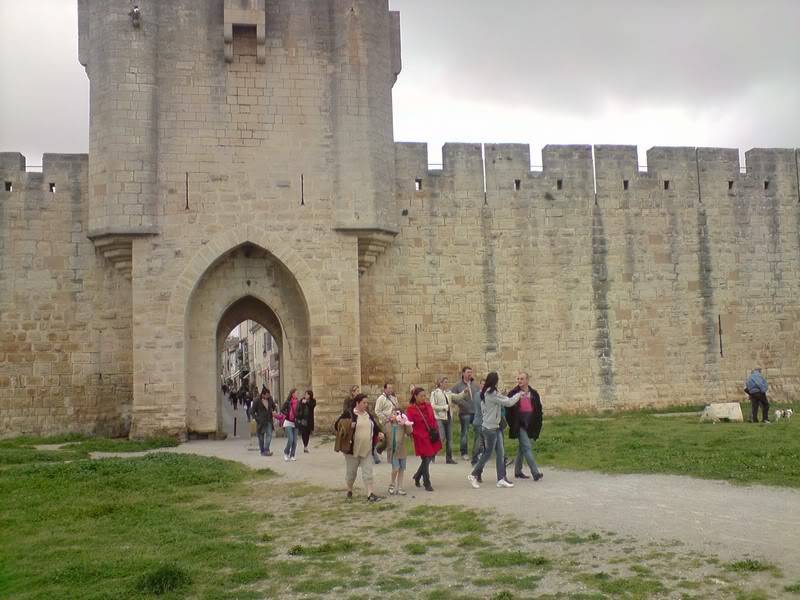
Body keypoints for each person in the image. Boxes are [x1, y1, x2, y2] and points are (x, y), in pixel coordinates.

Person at [467, 372, 523, 489]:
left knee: (500, 453)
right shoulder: (490, 393)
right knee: (487, 454)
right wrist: (518, 395)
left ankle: (501, 479)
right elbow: (508, 402)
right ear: (495, 381)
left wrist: (512, 395)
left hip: (495, 427)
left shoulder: (490, 392)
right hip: (490, 428)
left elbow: (504, 399)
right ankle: (473, 475)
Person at [333, 393, 384, 502]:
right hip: (352, 450)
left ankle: (370, 494)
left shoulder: (368, 415)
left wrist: (379, 433)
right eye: (364, 403)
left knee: (368, 472)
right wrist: (348, 424)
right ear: (357, 403)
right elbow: (337, 425)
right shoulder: (349, 413)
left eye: (367, 403)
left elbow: (375, 427)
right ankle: (349, 490)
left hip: (367, 449)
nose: (366, 405)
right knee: (351, 473)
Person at [506, 372, 544, 481]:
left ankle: (517, 471)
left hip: (531, 425)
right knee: (527, 447)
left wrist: (538, 423)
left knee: (522, 448)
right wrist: (513, 423)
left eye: (522, 379)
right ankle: (535, 472)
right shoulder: (513, 393)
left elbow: (539, 410)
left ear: (527, 380)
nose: (519, 381)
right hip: (520, 425)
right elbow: (508, 409)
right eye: (518, 379)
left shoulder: (534, 394)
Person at [406, 387, 442, 492]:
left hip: (431, 435)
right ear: (415, 396)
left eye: (424, 396)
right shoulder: (411, 409)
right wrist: (412, 434)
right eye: (421, 396)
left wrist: (436, 430)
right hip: (420, 437)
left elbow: (433, 419)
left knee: (429, 458)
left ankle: (417, 475)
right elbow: (410, 424)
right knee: (426, 459)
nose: (423, 398)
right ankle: (427, 483)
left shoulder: (428, 406)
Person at [430, 377, 468, 464]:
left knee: (450, 439)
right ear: (440, 383)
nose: (447, 384)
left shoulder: (449, 393)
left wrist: (464, 392)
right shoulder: (435, 393)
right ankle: (432, 453)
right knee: (441, 437)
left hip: (448, 417)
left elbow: (457, 397)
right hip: (439, 418)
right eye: (445, 382)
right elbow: (432, 406)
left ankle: (449, 458)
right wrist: (444, 407)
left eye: (447, 382)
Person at [450, 367, 481, 461]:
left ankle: (476, 452)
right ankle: (464, 452)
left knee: (478, 432)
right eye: (468, 372)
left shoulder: (475, 385)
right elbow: (452, 397)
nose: (470, 374)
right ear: (463, 373)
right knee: (465, 433)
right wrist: (460, 403)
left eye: (471, 372)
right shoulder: (458, 385)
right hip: (465, 413)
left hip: (475, 412)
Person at [386, 409, 413, 496]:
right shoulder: (388, 425)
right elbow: (385, 437)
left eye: (396, 414)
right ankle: (392, 484)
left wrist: (406, 422)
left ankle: (400, 487)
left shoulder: (402, 425)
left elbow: (410, 431)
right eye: (393, 413)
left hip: (402, 450)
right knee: (395, 469)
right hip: (394, 451)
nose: (394, 415)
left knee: (401, 469)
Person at [374, 382, 399, 459]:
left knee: (394, 439)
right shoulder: (381, 399)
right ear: (385, 389)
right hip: (386, 422)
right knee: (389, 440)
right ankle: (390, 458)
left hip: (395, 421)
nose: (390, 390)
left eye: (391, 388)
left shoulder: (393, 398)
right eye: (388, 388)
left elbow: (397, 406)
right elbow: (377, 411)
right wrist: (386, 418)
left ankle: (379, 450)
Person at [251, 389, 276, 456]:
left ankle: (266, 449)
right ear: (263, 394)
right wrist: (257, 419)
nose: (269, 396)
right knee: (261, 438)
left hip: (268, 420)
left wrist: (274, 411)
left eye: (269, 394)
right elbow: (252, 412)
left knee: (269, 435)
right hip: (261, 422)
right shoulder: (257, 400)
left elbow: (274, 406)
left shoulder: (270, 399)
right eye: (267, 395)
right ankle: (262, 451)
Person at [281, 389, 300, 461]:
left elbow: (300, 411)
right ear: (292, 394)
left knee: (295, 441)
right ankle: (286, 453)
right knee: (291, 439)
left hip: (295, 422)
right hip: (288, 422)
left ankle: (292, 455)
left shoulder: (298, 402)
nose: (296, 394)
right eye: (295, 393)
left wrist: (298, 416)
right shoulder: (288, 402)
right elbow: (282, 409)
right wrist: (287, 414)